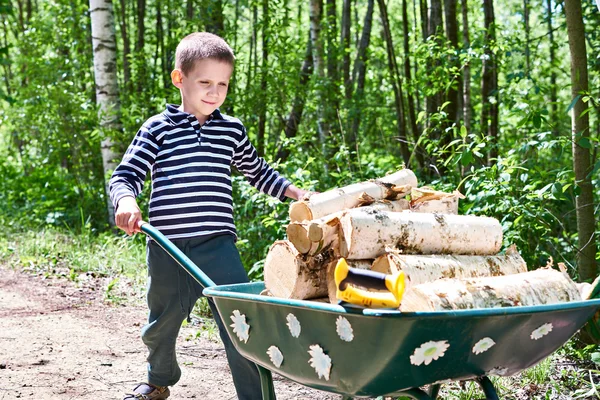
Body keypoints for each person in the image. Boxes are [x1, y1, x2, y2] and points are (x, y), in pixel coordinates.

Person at [109, 32, 308, 400]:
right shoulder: (158, 129)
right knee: (161, 323)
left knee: (241, 320)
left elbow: (258, 171)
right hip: (167, 245)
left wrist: (293, 192)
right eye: (205, 83)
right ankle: (158, 379)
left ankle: (255, 395)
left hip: (217, 245)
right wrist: (126, 201)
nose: (214, 92)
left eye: (223, 84)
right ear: (179, 79)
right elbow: (125, 175)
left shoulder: (231, 130)